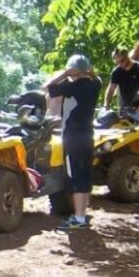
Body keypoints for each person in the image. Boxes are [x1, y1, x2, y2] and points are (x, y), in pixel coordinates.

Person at [44, 54, 102, 230]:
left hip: (72, 137)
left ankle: (78, 218)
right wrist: (88, 72)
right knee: (84, 175)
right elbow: (97, 78)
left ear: (72, 71)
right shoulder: (94, 86)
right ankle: (82, 215)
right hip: (87, 136)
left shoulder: (70, 87)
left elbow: (48, 86)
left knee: (75, 175)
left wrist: (64, 74)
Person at [104, 47, 139, 130]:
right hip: (125, 109)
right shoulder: (116, 72)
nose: (121, 64)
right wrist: (106, 105)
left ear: (127, 56)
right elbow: (110, 90)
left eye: (122, 60)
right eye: (118, 62)